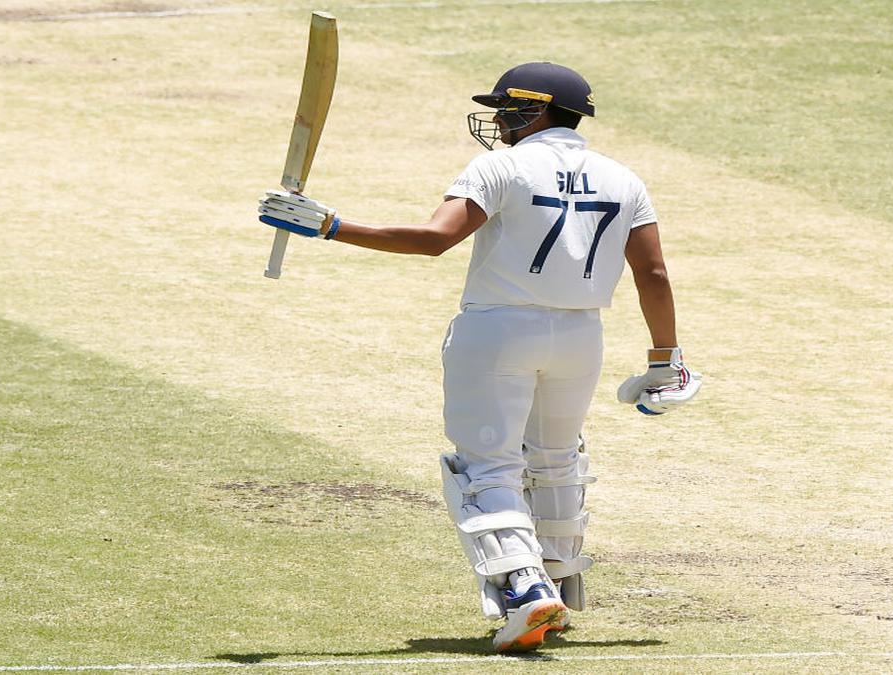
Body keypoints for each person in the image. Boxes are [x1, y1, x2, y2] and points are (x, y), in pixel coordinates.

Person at [259, 62, 701, 653]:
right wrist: (663, 358)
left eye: (505, 108)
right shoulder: (624, 179)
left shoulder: (500, 166)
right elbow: (653, 272)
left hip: (497, 331)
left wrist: (331, 226)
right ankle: (557, 576)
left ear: (536, 110)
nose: (496, 119)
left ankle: (524, 590)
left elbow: (433, 239)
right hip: (581, 340)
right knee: (555, 459)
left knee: (486, 467)